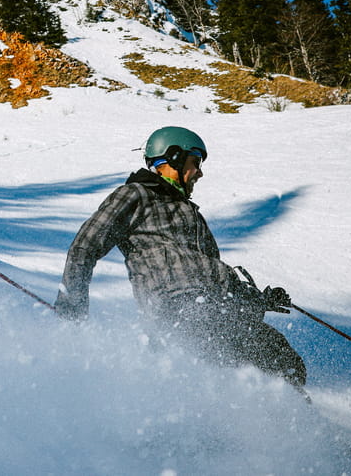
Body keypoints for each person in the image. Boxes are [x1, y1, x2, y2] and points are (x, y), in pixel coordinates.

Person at [54, 126, 306, 388]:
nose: (200, 172)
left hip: (214, 309)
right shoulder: (136, 195)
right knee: (249, 360)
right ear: (173, 157)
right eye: (195, 162)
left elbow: (211, 274)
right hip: (177, 312)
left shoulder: (193, 215)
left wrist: (258, 300)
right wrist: (71, 310)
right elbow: (84, 247)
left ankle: (281, 421)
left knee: (286, 363)